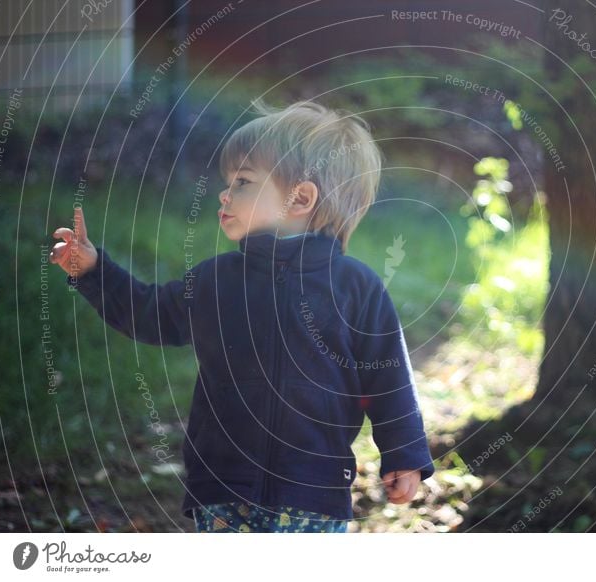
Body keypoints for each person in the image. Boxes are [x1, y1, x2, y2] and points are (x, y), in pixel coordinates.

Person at [49, 98, 435, 533]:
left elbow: (388, 377)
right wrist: (94, 270)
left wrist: (405, 454)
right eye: (227, 181)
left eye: (243, 182)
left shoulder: (355, 287)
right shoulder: (217, 280)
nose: (224, 193)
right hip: (223, 486)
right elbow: (150, 313)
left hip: (313, 492)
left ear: (300, 198)